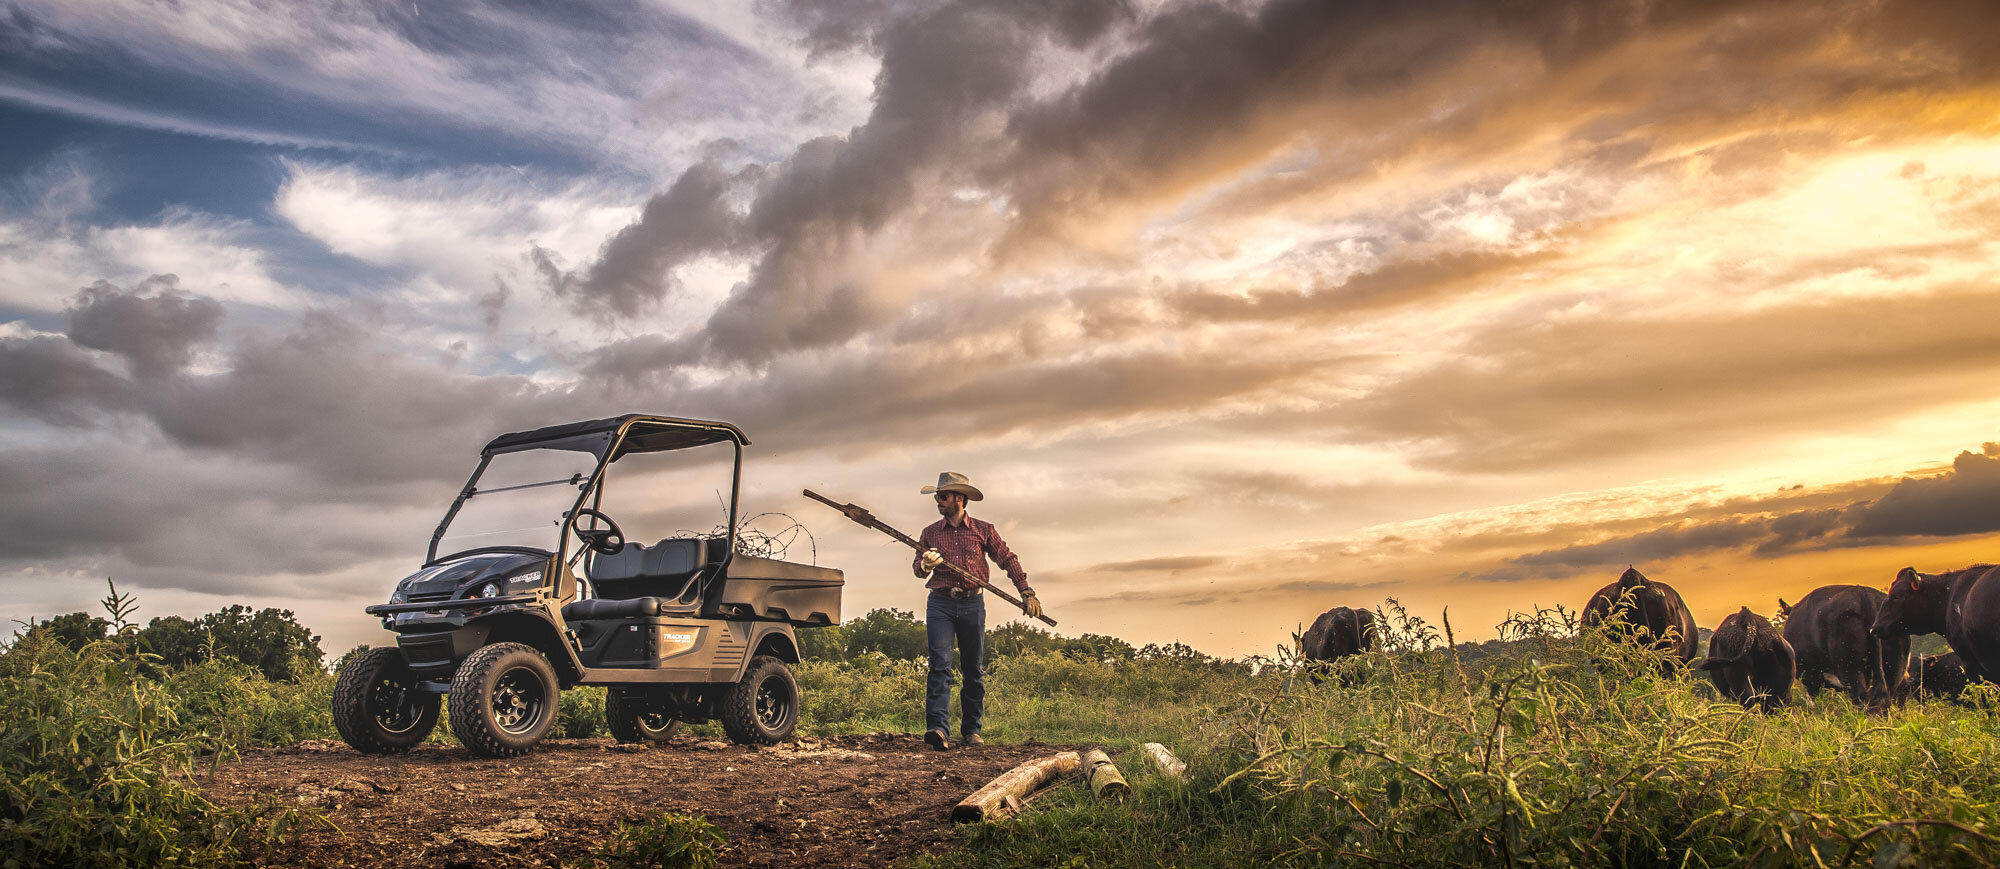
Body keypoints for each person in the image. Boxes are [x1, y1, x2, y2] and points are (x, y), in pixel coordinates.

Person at [912, 472, 1041, 750]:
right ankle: (938, 729)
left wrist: (1026, 591)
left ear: (960, 498)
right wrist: (925, 565)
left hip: (972, 604)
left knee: (973, 669)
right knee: (939, 666)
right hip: (941, 603)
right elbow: (916, 569)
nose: (938, 501)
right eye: (937, 496)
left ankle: (972, 730)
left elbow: (1007, 558)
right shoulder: (930, 532)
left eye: (943, 496)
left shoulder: (984, 530)